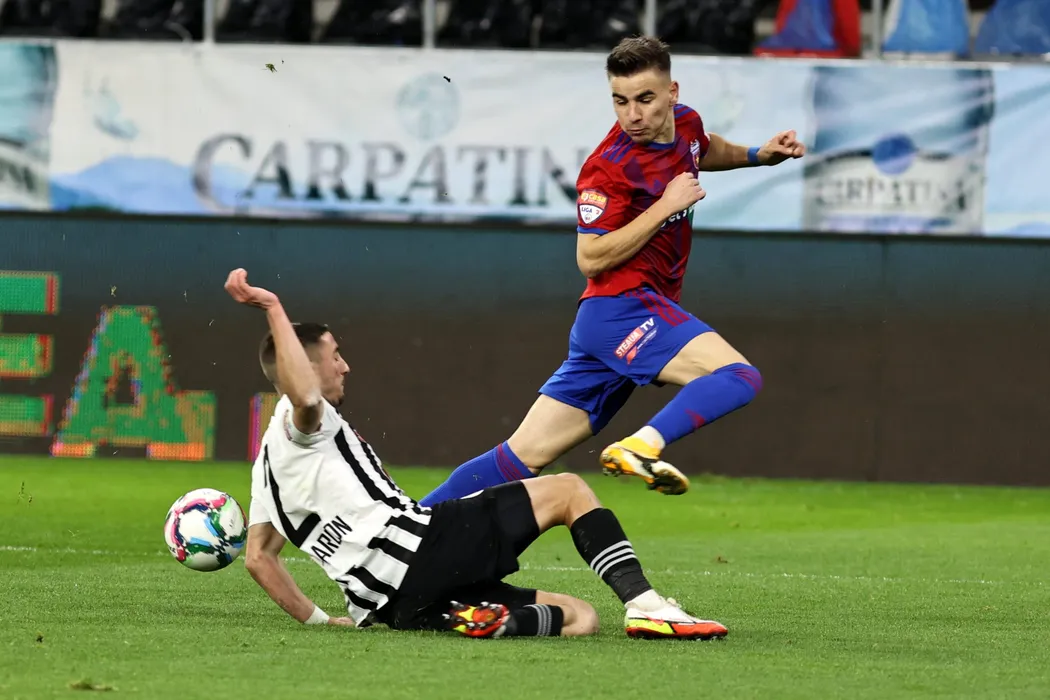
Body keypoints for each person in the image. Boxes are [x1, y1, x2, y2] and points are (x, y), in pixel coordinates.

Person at [224, 267, 728, 640]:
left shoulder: (266, 468)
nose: (345, 366)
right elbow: (304, 395)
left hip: (393, 607)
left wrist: (318, 620)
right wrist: (273, 309)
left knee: (581, 618)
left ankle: (477, 619)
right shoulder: (304, 423)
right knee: (569, 491)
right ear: (305, 369)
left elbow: (259, 559)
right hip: (421, 549)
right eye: (335, 356)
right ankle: (646, 606)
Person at [419, 36, 805, 507]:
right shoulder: (609, 168)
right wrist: (663, 207)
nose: (632, 115)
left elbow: (703, 149)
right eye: (620, 101)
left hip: (610, 325)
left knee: (522, 456)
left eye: (644, 99)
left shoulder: (686, 122)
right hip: (624, 308)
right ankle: (642, 446)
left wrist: (758, 155)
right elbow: (590, 258)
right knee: (737, 376)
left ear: (672, 93)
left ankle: (409, 524)